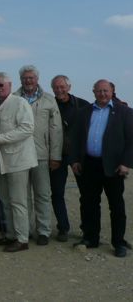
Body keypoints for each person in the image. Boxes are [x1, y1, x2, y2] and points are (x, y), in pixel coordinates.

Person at [71, 79, 133, 257]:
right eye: (99, 91)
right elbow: (75, 138)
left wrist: (126, 163)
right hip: (89, 164)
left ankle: (118, 242)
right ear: (93, 92)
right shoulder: (84, 112)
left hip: (114, 167)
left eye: (106, 91)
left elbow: (131, 140)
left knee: (116, 205)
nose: (102, 94)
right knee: (89, 203)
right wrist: (75, 160)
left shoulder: (124, 112)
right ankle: (90, 238)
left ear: (112, 91)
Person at [0, 72, 37, 253]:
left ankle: (22, 239)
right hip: (2, 161)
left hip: (18, 160)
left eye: (1, 85)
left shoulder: (19, 103)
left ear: (9, 85)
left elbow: (27, 128)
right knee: (5, 200)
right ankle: (11, 234)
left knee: (18, 201)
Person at [14, 65, 63, 245]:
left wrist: (55, 155)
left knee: (42, 194)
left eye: (31, 78)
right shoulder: (14, 99)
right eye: (25, 78)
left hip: (41, 154)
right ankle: (24, 231)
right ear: (21, 80)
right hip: (19, 155)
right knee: (23, 195)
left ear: (37, 79)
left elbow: (56, 130)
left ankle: (43, 231)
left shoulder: (49, 100)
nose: (28, 81)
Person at [51, 75, 90, 242]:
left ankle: (87, 229)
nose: (59, 90)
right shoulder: (49, 104)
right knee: (57, 193)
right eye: (56, 87)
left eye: (62, 87)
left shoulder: (82, 105)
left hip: (78, 156)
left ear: (69, 87)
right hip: (56, 155)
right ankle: (63, 228)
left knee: (86, 194)